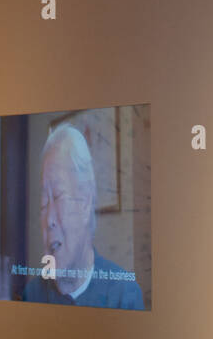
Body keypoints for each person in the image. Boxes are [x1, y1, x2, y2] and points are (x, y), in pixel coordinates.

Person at [22, 123, 144, 309]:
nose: (49, 220)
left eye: (57, 196)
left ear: (86, 203)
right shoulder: (31, 295)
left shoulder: (125, 296)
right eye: (43, 204)